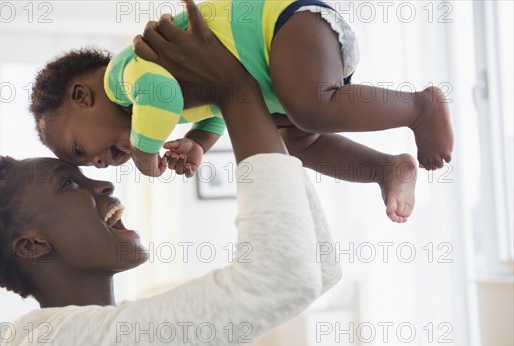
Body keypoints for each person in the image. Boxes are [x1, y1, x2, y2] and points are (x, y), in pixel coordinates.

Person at [0, 3, 341, 346]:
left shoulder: (131, 326)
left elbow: (317, 269)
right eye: (70, 185)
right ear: (31, 244)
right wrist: (236, 90)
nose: (105, 185)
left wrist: (271, 121)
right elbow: (281, 280)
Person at [29, 0, 454, 224]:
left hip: (282, 27)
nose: (99, 163)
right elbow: (215, 106)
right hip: (281, 76)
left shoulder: (125, 74)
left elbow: (160, 95)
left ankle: (420, 108)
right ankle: (384, 168)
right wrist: (198, 140)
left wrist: (144, 153)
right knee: (297, 141)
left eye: (80, 149)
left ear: (83, 96)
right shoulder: (150, 103)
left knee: (311, 111)